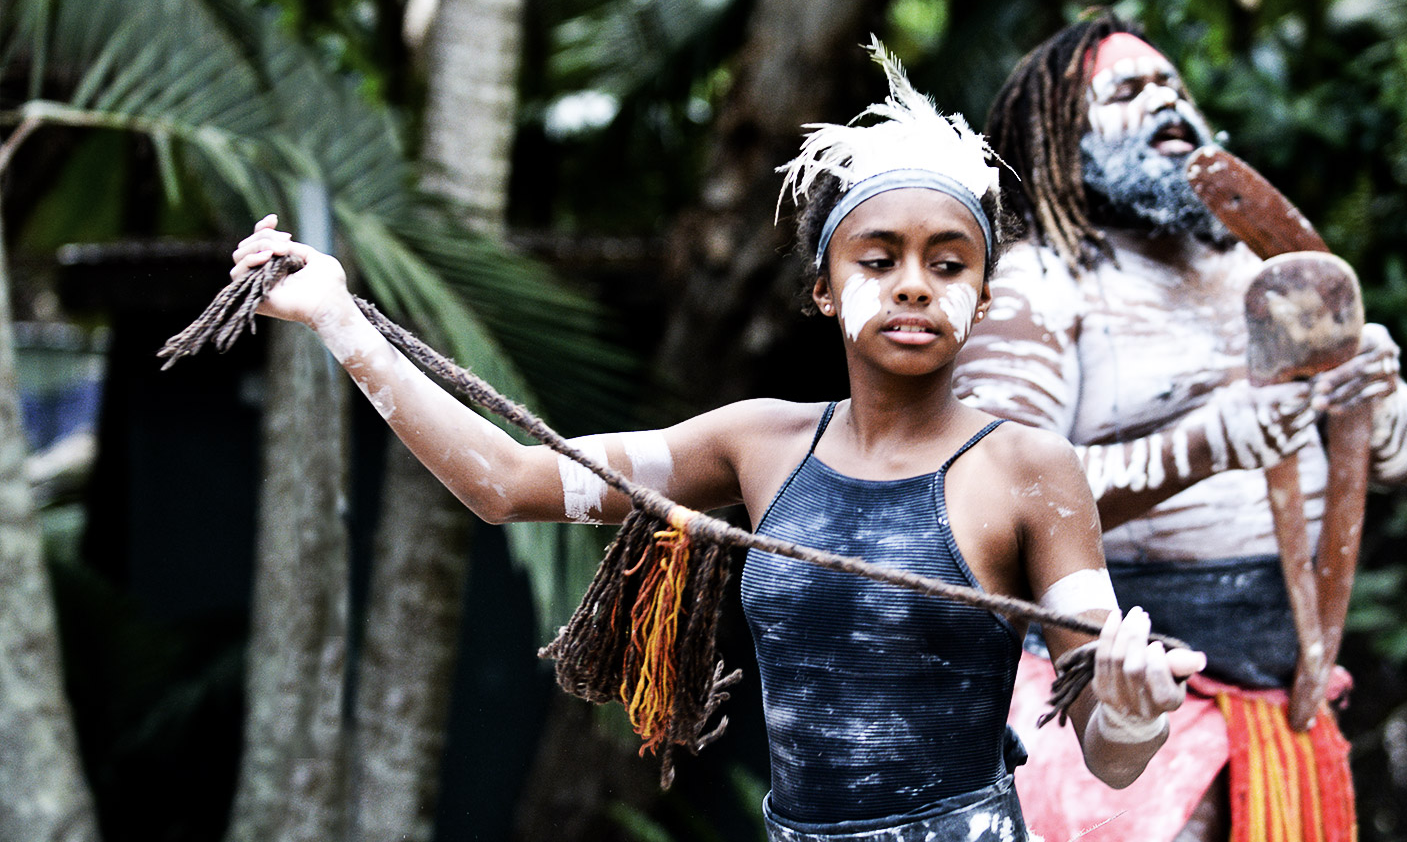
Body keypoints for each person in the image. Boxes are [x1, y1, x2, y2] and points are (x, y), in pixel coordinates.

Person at [228, 44, 1205, 841]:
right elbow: (510, 482)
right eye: (880, 257)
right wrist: (340, 321)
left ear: (981, 297)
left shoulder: (1030, 470)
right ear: (825, 287)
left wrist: (1130, 706)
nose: (914, 283)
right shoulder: (757, 444)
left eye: (948, 263)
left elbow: (1110, 753)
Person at [953, 14, 1407, 842]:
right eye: (1129, 91)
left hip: (1286, 692)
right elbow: (987, 503)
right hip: (1123, 694)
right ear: (1057, 134)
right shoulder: (1040, 281)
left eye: (1175, 87)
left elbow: (1398, 460)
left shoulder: (1255, 266)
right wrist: (1202, 448)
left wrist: (1379, 406)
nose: (1168, 102)